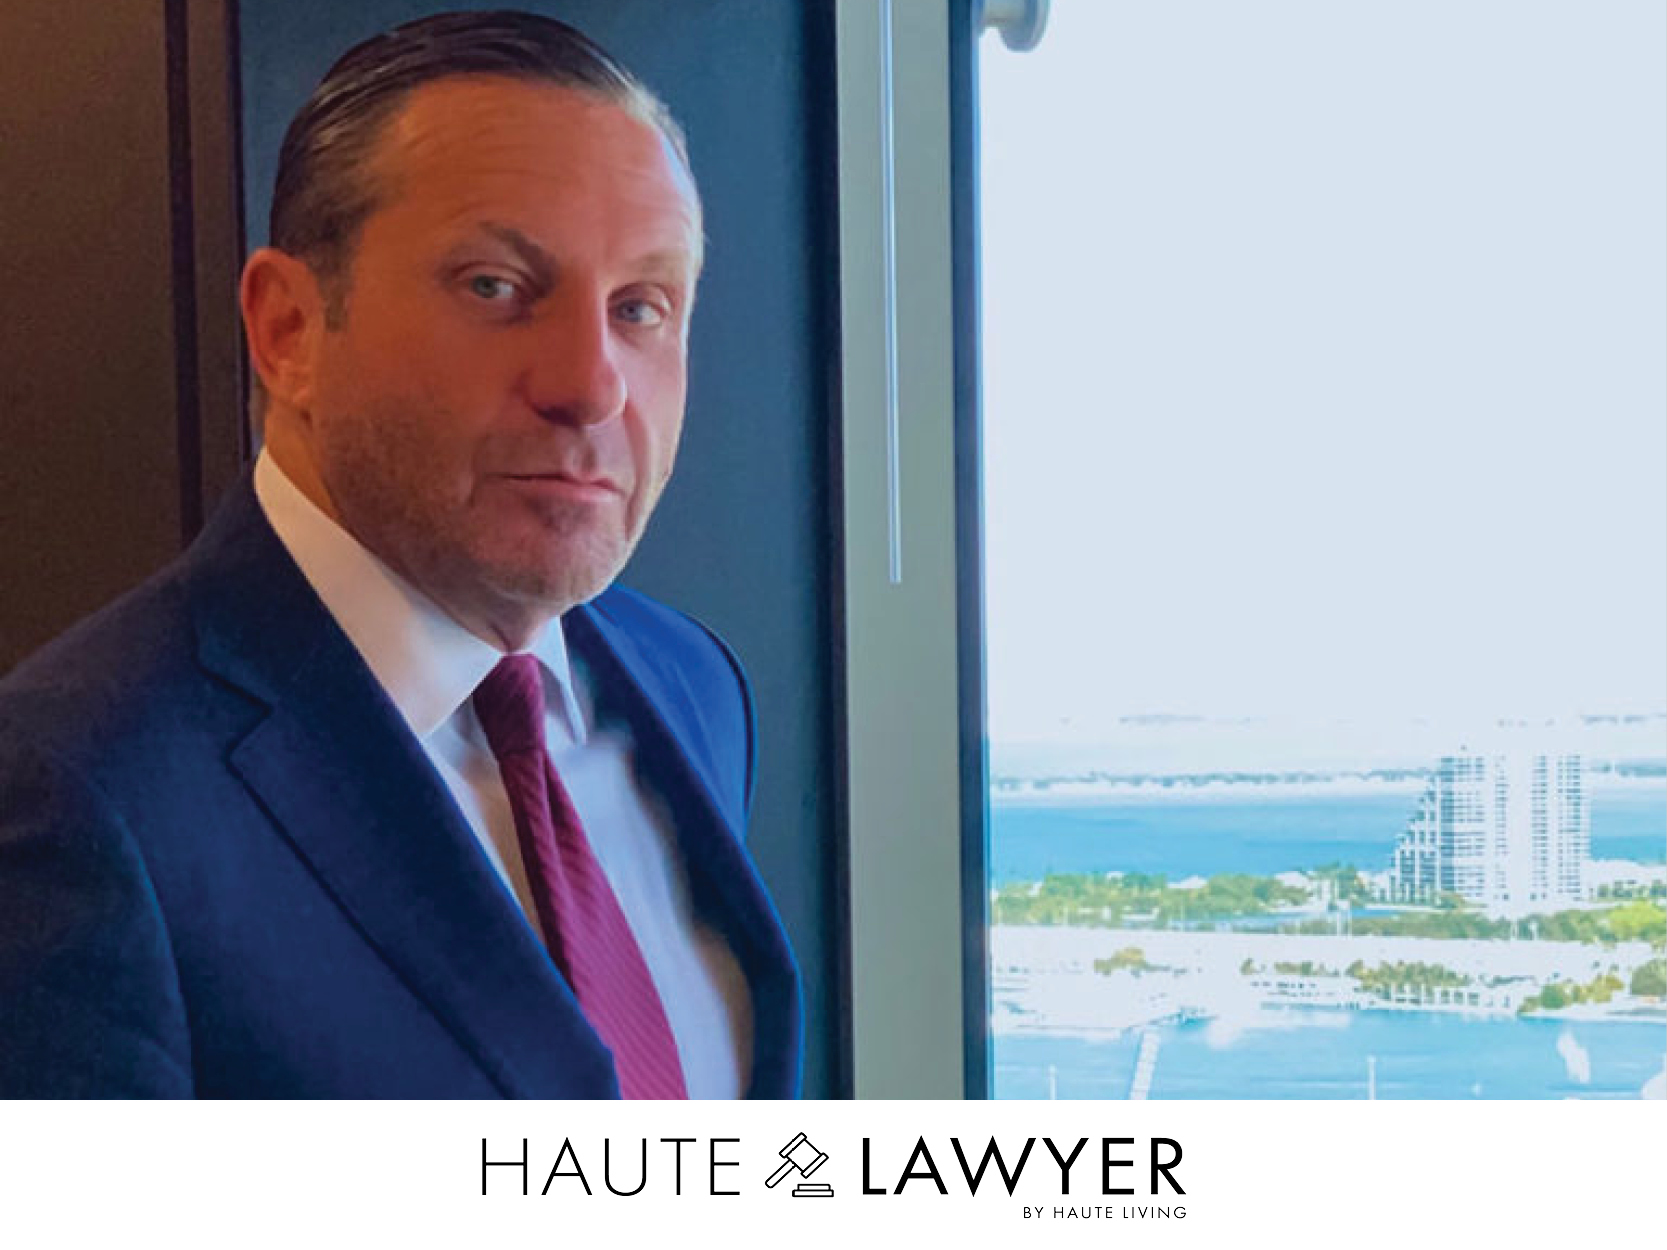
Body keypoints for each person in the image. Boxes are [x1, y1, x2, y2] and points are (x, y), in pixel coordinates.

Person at [0, 11, 801, 1098]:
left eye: (640, 308)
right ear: (287, 330)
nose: (590, 384)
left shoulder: (693, 684)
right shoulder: (80, 790)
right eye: (495, 286)